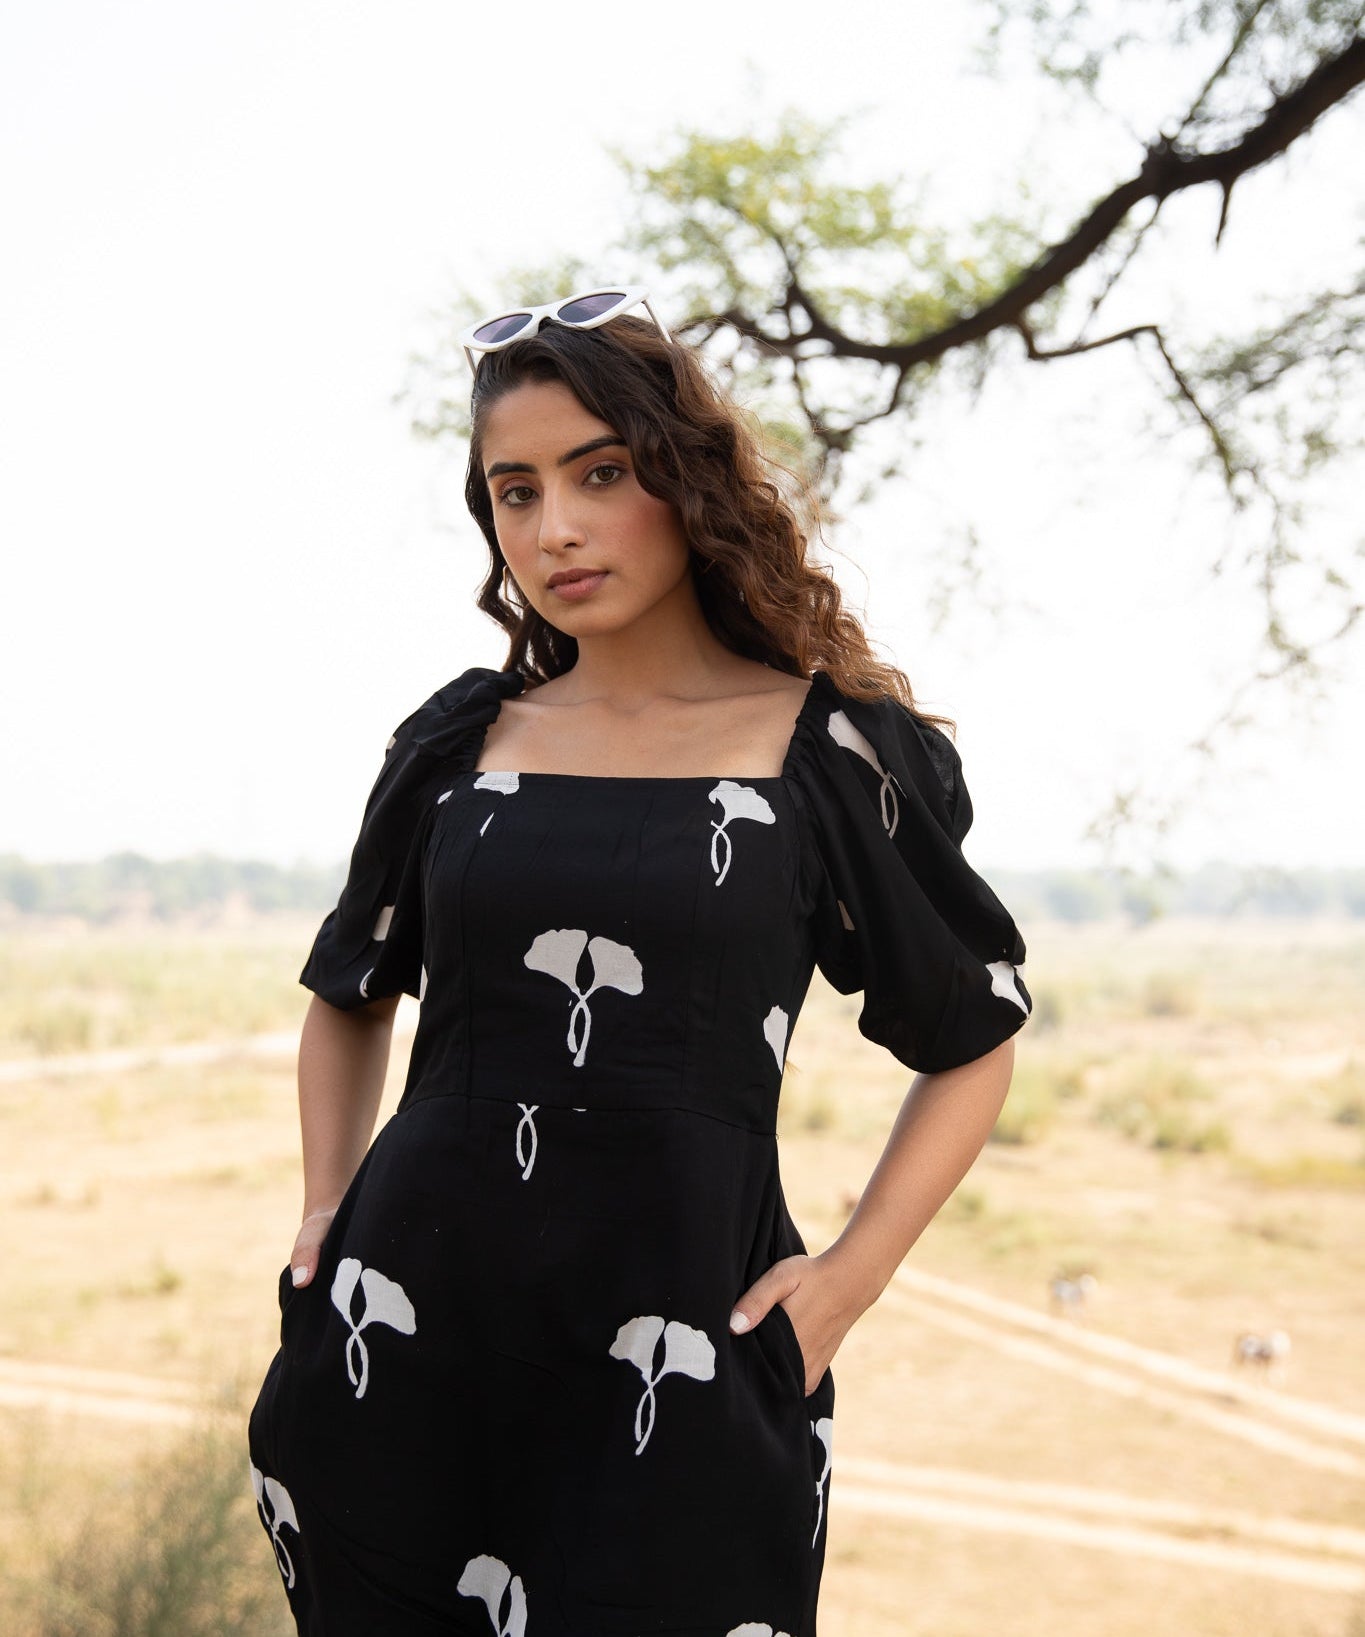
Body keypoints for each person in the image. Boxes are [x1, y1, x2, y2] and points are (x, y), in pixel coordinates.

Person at [247, 286, 1032, 1637]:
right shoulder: (458, 743)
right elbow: (349, 991)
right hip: (406, 1368)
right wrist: (326, 1211)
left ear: (685, 477)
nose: (553, 526)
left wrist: (846, 1283)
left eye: (599, 474)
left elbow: (975, 1034)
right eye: (516, 491)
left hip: (689, 1368)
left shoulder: (826, 756)